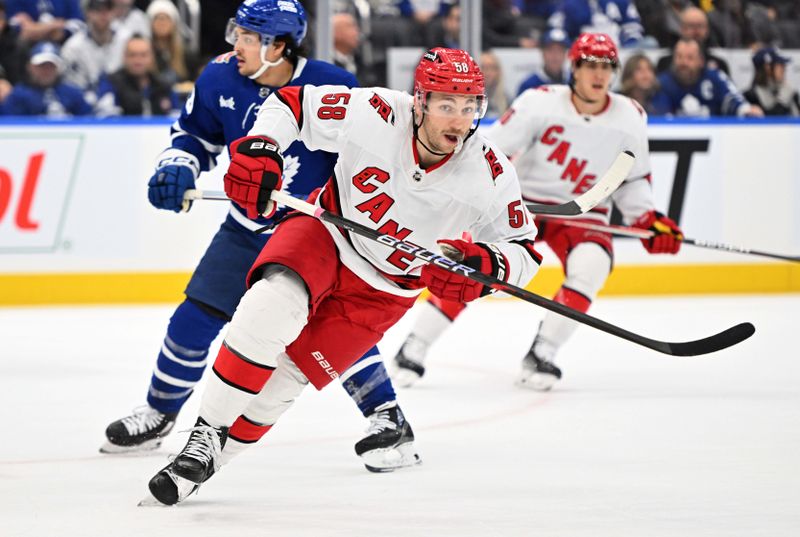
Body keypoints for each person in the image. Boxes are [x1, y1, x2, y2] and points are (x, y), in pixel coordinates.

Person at [143, 46, 542, 506]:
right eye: (447, 105)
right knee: (267, 308)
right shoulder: (374, 110)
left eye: (470, 106)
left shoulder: (490, 172)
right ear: (420, 102)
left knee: (285, 383)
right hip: (326, 234)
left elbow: (524, 251)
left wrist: (488, 266)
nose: (459, 119)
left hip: (386, 289)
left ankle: (205, 464)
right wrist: (262, 146)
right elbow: (289, 104)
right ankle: (203, 435)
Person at [101, 0, 419, 475]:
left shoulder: (332, 85)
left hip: (315, 234)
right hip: (246, 229)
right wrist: (178, 164)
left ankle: (387, 417)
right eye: (238, 33)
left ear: (280, 45)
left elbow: (374, 151)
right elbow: (193, 135)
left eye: (249, 37)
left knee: (323, 331)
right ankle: (161, 413)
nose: (237, 45)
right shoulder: (217, 78)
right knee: (192, 320)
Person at [392, 33, 684, 391]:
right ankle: (415, 345)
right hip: (521, 204)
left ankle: (543, 352)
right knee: (476, 268)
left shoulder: (630, 117)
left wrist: (646, 219)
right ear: (574, 68)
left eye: (606, 67)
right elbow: (491, 152)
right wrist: (481, 195)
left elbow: (632, 177)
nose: (598, 74)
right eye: (590, 65)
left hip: (582, 216)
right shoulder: (539, 103)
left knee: (591, 265)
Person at [651, 38, 764, 117]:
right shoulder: (663, 83)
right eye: (679, 57)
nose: (683, 63)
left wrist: (745, 110)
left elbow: (731, 97)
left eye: (689, 58)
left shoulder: (714, 77)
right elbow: (661, 116)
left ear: (700, 61)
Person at [94, 35, 178, 116]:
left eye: (143, 55)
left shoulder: (164, 86)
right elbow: (105, 118)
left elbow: (177, 117)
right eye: (132, 55)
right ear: (124, 57)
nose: (138, 60)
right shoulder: (111, 83)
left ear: (152, 57)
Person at [1, 41, 91, 116]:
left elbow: (89, 121)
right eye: (42, 66)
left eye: (51, 66)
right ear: (30, 67)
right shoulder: (19, 95)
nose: (46, 71)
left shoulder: (72, 93)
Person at [60, 0, 130, 94]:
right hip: (85, 101)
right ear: (87, 13)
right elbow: (71, 89)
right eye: (97, 9)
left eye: (108, 8)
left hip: (123, 99)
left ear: (114, 11)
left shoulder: (126, 40)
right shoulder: (73, 48)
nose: (103, 14)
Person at [655, 6, 730, 76]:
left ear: (707, 30)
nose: (696, 31)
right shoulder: (665, 63)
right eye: (691, 26)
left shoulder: (719, 64)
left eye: (700, 26)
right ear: (682, 29)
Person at [743, 47, 799, 117]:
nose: (784, 68)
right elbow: (766, 122)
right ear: (767, 67)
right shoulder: (750, 97)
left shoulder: (791, 93)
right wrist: (782, 102)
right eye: (780, 65)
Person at [516, 27, 570, 95]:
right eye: (550, 50)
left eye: (560, 51)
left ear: (566, 54)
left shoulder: (574, 82)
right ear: (542, 52)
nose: (555, 56)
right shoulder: (529, 85)